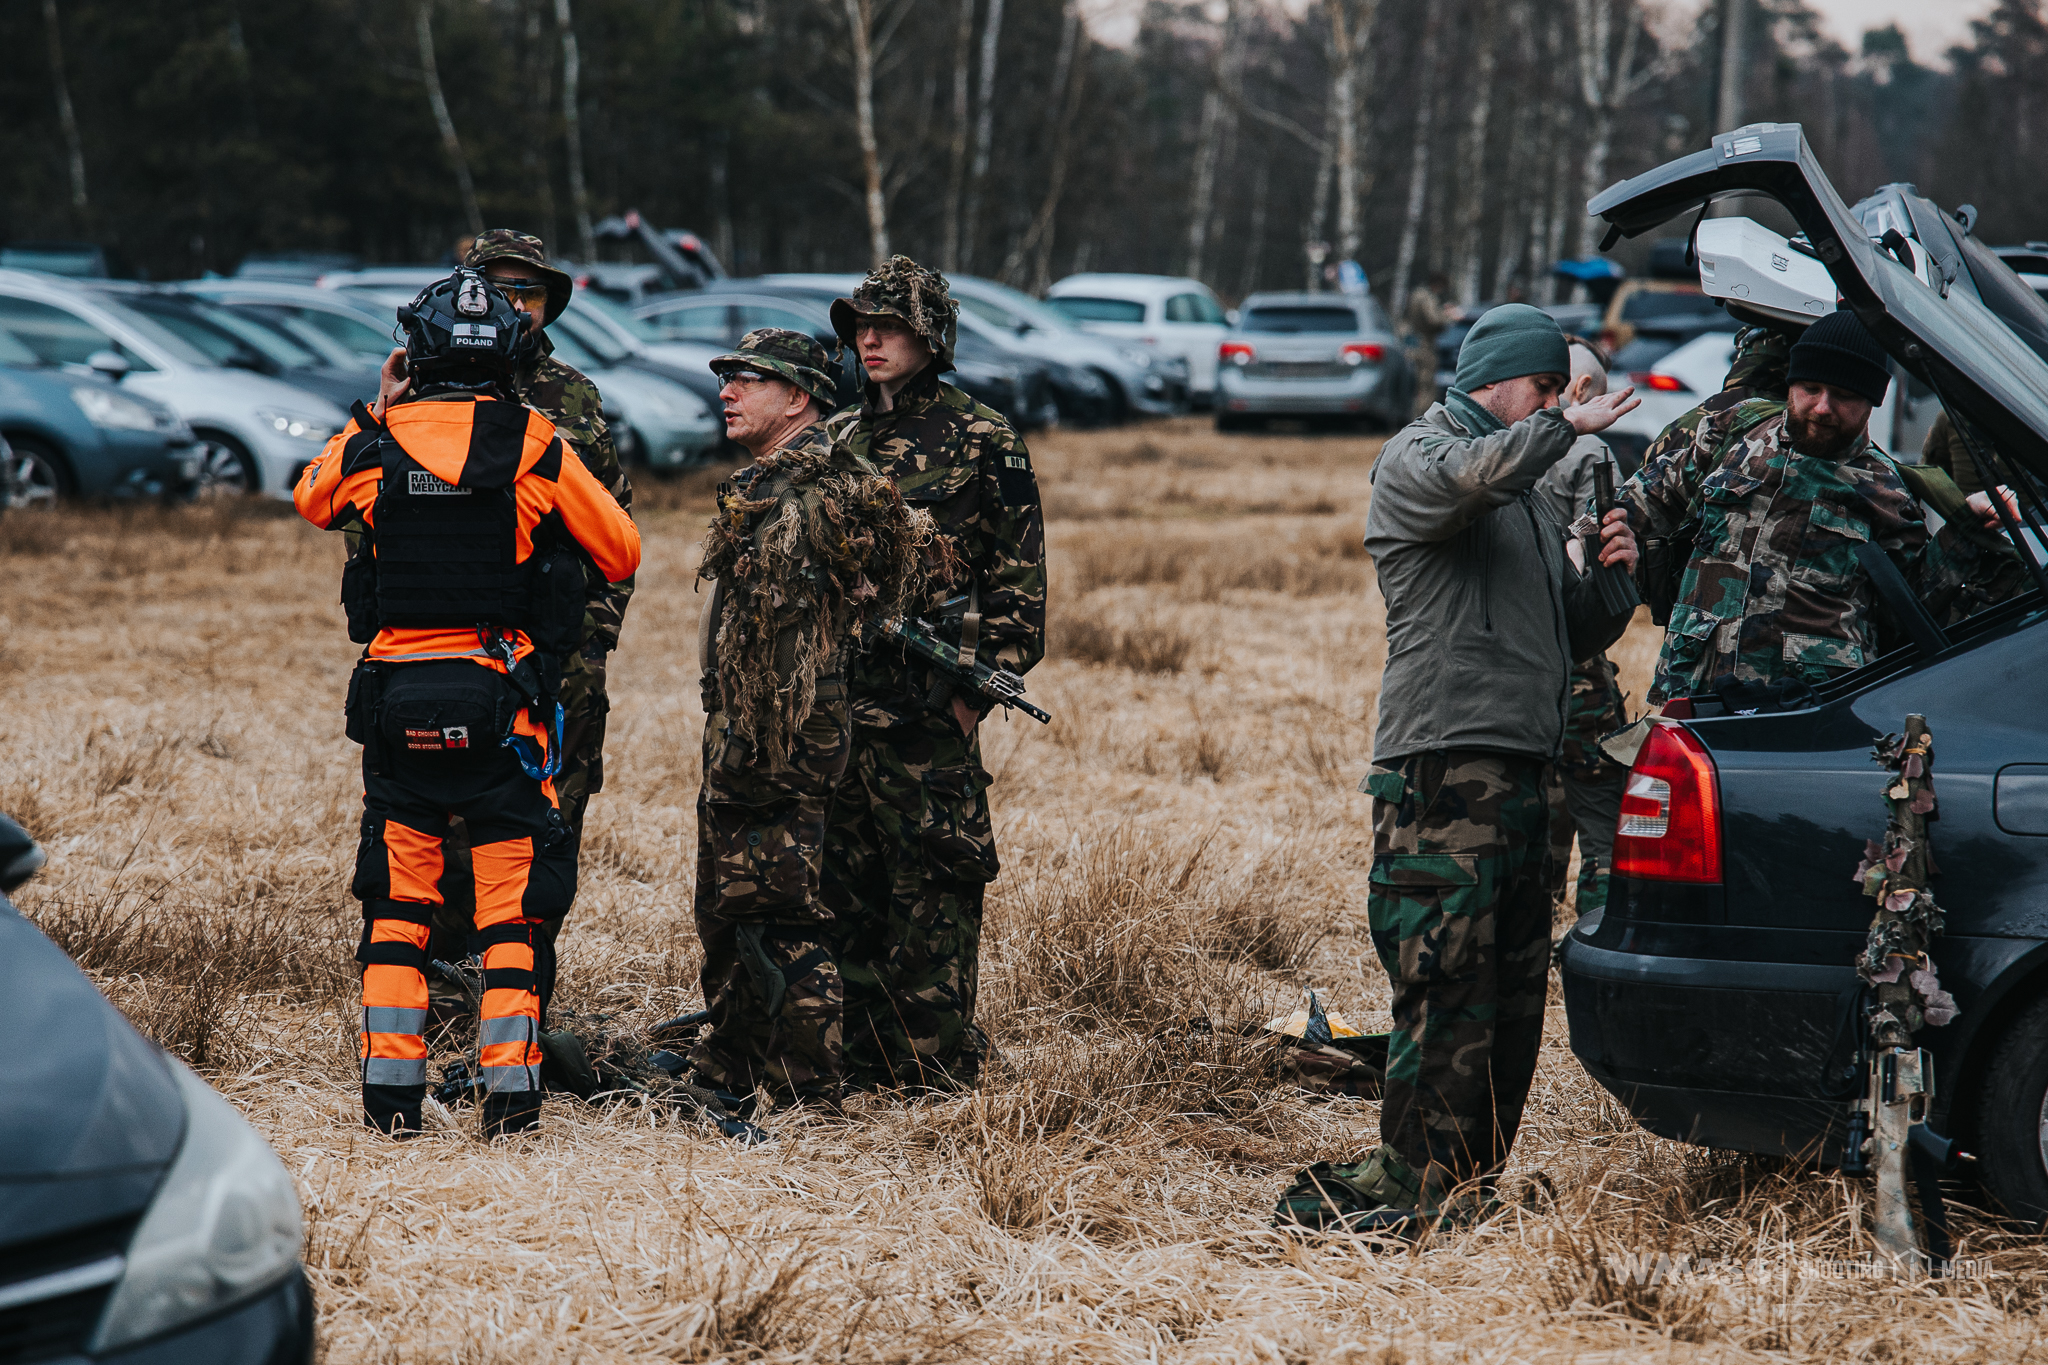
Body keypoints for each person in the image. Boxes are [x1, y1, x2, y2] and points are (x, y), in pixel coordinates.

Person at [1274, 304, 1641, 1235]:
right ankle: (1411, 1181)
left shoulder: (1527, 493)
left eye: (1561, 394)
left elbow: (1572, 631)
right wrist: (1561, 430)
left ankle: (1468, 1182)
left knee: (1512, 996)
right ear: (1497, 379)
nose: (1557, 404)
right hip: (1443, 770)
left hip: (1528, 771)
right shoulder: (1421, 455)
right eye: (1546, 388)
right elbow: (1473, 477)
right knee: (1445, 983)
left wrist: (1613, 577)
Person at [296, 269, 640, 1137]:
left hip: (397, 713)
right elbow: (623, 550)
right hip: (504, 711)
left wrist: (376, 410)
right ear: (513, 355)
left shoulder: (376, 445)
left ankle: (391, 1103)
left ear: (417, 352)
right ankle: (511, 1101)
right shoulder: (534, 442)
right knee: (509, 912)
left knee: (398, 906)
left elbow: (311, 499)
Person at [372, 230, 633, 1034]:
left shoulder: (572, 398)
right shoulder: (415, 392)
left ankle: (516, 1018)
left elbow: (614, 539)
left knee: (542, 834)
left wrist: (584, 641)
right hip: (439, 655)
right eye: (501, 286)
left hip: (551, 663)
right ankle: (440, 1013)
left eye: (532, 290)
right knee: (426, 837)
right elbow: (368, 522)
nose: (517, 302)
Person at [819, 256, 1045, 1092]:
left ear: (931, 337)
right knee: (840, 886)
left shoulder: (984, 438)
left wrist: (966, 699)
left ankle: (930, 1065)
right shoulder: (836, 436)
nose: (869, 340)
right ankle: (848, 1057)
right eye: (861, 326)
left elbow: (1020, 586)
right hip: (836, 711)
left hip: (925, 712)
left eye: (890, 326)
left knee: (935, 888)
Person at [688, 329, 926, 1112]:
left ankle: (804, 1090)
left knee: (780, 913)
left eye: (747, 379)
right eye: (726, 377)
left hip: (774, 735)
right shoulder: (788, 478)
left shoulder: (809, 487)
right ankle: (732, 1067)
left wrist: (754, 730)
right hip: (757, 727)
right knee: (733, 905)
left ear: (798, 398)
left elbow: (791, 630)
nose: (727, 390)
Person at [1622, 309, 2019, 708]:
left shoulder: (1886, 490)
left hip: (1804, 714)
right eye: (1810, 388)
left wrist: (1967, 528)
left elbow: (1909, 613)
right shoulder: (1735, 433)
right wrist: (1597, 534)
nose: (1823, 407)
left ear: (1871, 402)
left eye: (1844, 395)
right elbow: (1645, 499)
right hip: (1694, 696)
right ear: (1791, 384)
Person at [1532, 338, 1632, 919]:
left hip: (1518, 670)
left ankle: (1533, 925)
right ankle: (1595, 929)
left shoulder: (1505, 447)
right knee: (1600, 817)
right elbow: (1595, 557)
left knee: (1537, 807)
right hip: (1580, 671)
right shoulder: (1589, 452)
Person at [1402, 272, 1458, 414]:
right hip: (1425, 346)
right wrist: (1449, 316)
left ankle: (1412, 418)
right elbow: (1433, 319)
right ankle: (1422, 420)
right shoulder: (1427, 297)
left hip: (1413, 344)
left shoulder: (1415, 294)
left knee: (1416, 386)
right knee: (1427, 386)